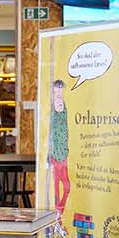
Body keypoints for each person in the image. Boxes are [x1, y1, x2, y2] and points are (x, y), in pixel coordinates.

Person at [47, 79, 71, 211]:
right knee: (57, 184)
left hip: (63, 153)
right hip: (55, 155)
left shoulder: (63, 111)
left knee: (66, 186)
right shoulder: (53, 114)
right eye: (57, 94)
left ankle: (60, 207)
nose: (59, 99)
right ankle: (58, 209)